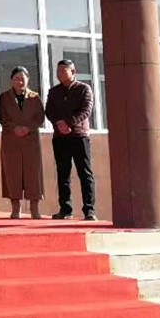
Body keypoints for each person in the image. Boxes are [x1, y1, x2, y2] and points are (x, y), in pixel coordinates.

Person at [45, 58, 97, 221]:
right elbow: (49, 111)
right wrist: (58, 123)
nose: (59, 74)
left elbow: (86, 110)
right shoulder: (54, 91)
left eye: (63, 71)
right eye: (58, 71)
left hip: (79, 136)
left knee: (85, 173)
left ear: (73, 71)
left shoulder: (83, 89)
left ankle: (89, 210)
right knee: (63, 174)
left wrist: (69, 123)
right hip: (60, 137)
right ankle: (65, 209)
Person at [0, 66, 46, 219]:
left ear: (27, 79)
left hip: (30, 140)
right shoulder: (4, 98)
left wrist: (28, 128)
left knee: (33, 174)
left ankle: (34, 208)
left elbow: (40, 117)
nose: (20, 82)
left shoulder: (34, 97)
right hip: (11, 139)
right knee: (12, 173)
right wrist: (14, 128)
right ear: (11, 80)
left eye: (23, 79)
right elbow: (1, 116)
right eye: (17, 79)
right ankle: (15, 208)